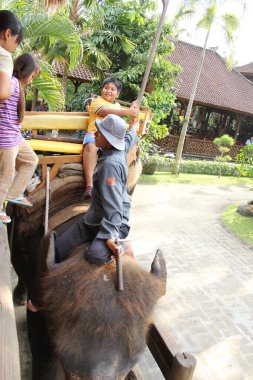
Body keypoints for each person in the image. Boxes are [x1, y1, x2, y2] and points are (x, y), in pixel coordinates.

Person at [55, 114, 139, 265]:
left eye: (99, 133)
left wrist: (109, 237)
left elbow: (114, 206)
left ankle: (124, 245)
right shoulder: (118, 149)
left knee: (96, 255)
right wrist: (134, 128)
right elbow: (128, 139)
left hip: (114, 222)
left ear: (108, 139)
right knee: (58, 247)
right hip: (94, 218)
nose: (94, 134)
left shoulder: (110, 166)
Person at [82, 77, 139, 199]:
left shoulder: (118, 106)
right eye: (106, 87)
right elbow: (104, 112)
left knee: (119, 156)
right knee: (91, 146)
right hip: (95, 133)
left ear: (117, 94)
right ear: (102, 89)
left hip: (112, 138)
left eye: (113, 89)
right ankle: (89, 186)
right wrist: (128, 111)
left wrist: (133, 117)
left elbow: (120, 124)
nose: (108, 91)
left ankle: (115, 186)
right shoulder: (96, 101)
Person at [0, 53, 40, 223]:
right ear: (24, 71)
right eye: (31, 76)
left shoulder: (16, 85)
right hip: (5, 139)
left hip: (15, 136)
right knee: (6, 175)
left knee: (31, 160)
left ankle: (14, 193)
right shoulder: (10, 83)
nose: (31, 80)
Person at [0, 10, 23, 100]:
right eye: (16, 42)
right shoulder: (4, 56)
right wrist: (13, 86)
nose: (14, 49)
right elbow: (2, 92)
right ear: (7, 34)